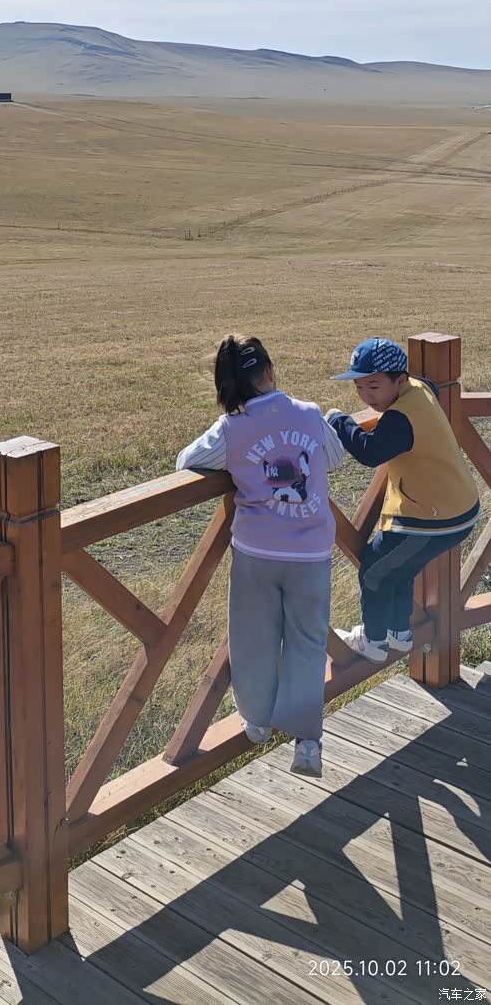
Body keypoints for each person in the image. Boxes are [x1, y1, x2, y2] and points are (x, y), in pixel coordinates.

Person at [176, 333, 345, 778]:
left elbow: (186, 460)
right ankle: (307, 741)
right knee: (308, 642)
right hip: (311, 553)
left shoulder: (230, 429)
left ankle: (256, 722)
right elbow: (334, 457)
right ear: (270, 371)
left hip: (257, 552)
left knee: (252, 637)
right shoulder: (309, 413)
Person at [327, 337, 480, 663]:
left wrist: (339, 421)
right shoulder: (420, 389)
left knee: (373, 570)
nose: (366, 396)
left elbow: (370, 452)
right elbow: (430, 384)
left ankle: (373, 641)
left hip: (432, 519)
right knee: (401, 568)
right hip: (456, 509)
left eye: (373, 386)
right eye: (359, 387)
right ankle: (400, 633)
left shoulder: (401, 417)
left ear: (400, 380)